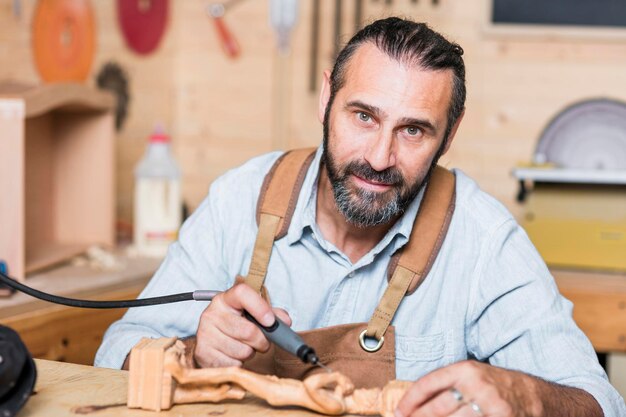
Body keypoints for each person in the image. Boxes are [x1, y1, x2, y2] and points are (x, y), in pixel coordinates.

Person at [96, 17, 625, 417]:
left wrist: (522, 393)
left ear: (450, 134)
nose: (378, 157)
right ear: (327, 97)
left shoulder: (483, 241)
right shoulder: (240, 199)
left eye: (413, 130)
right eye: (363, 116)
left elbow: (601, 401)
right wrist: (193, 352)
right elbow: (113, 354)